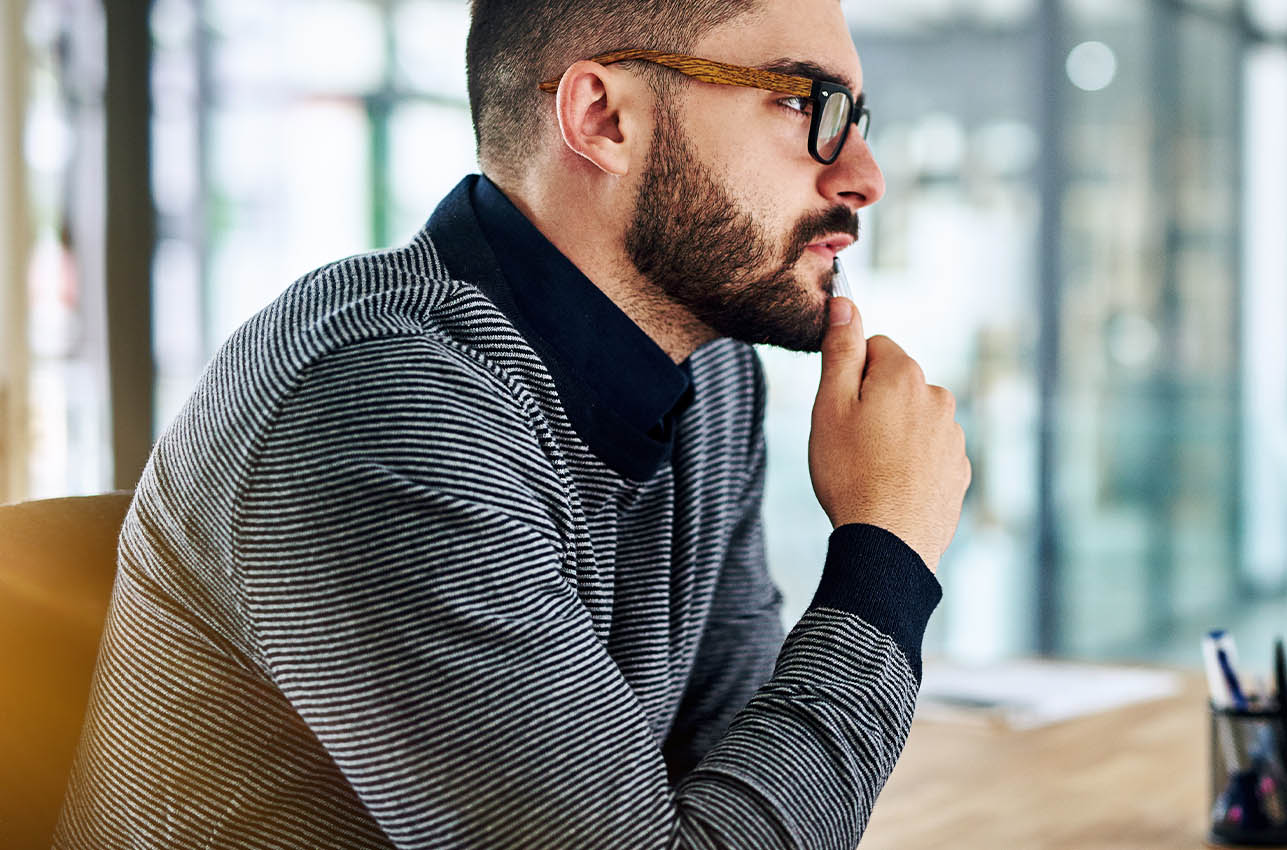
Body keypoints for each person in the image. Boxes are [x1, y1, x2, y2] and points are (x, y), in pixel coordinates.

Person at [55, 0, 969, 846]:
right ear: (603, 118)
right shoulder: (383, 401)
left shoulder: (710, 376)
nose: (864, 177)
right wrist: (886, 551)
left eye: (855, 118)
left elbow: (739, 788)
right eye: (805, 102)